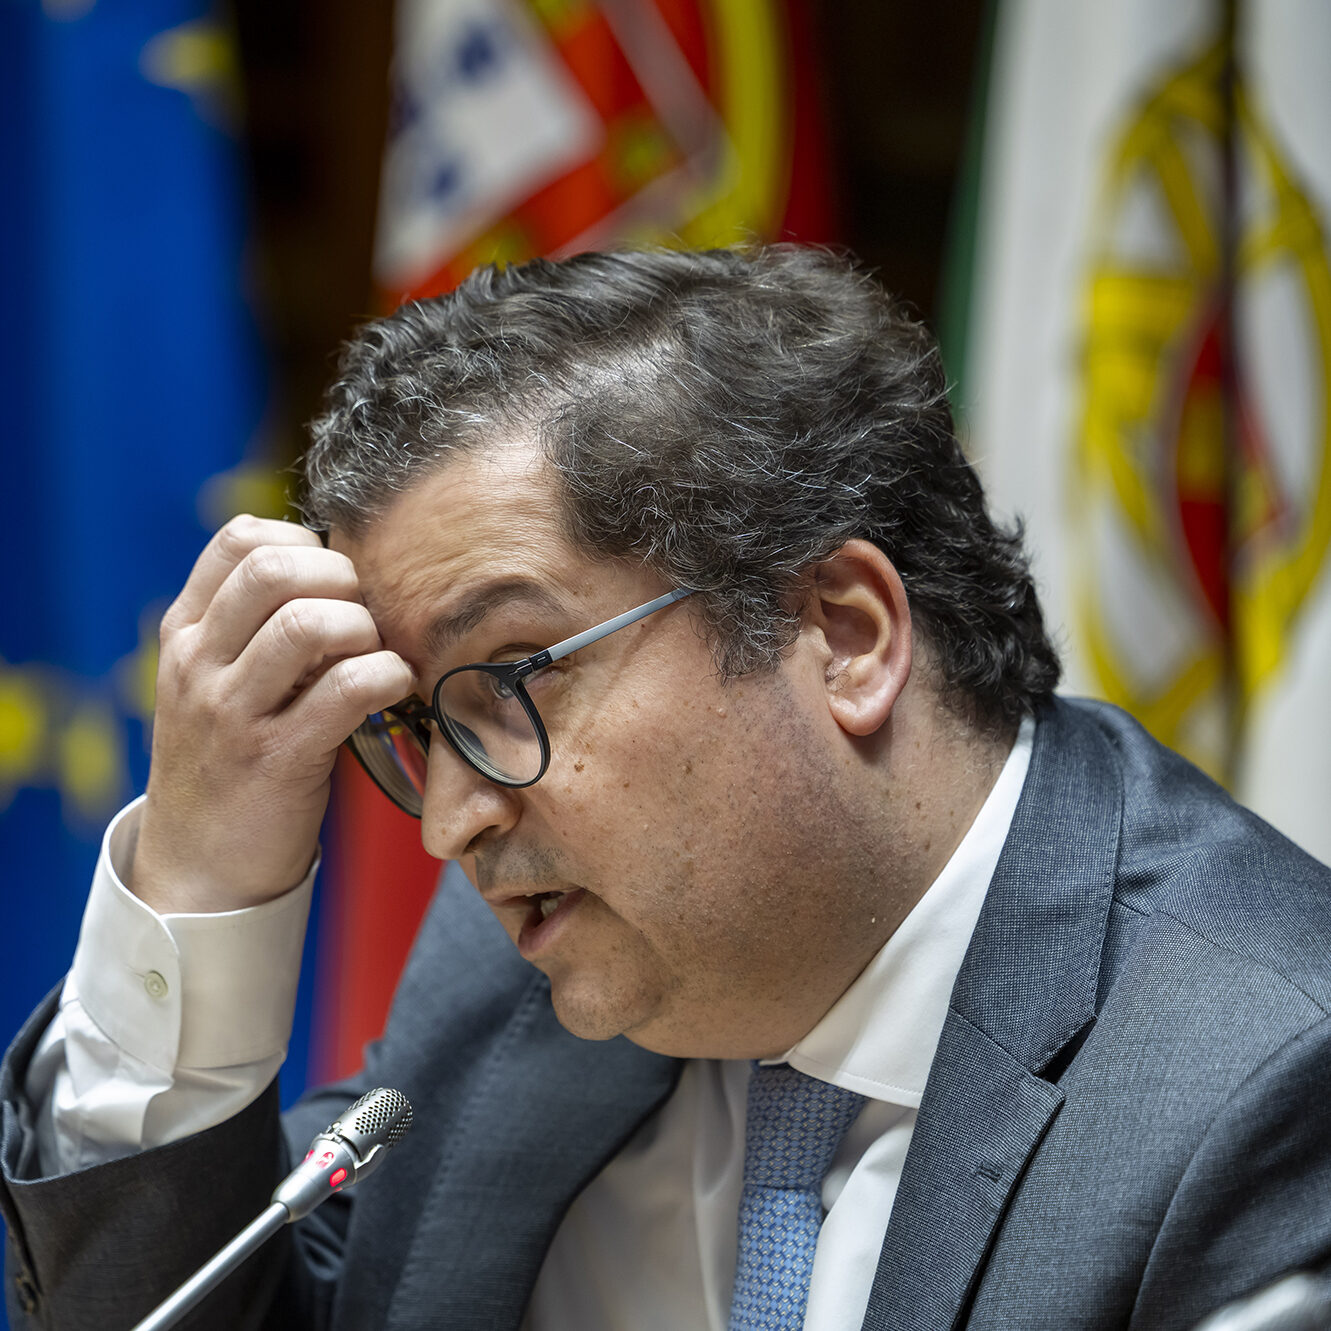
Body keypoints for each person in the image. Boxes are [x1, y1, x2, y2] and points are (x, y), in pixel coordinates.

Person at [3, 245, 1331, 1331]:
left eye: (512, 678)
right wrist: (199, 882)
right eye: (414, 725)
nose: (451, 824)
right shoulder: (512, 976)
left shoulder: (1264, 1085)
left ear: (846, 635)